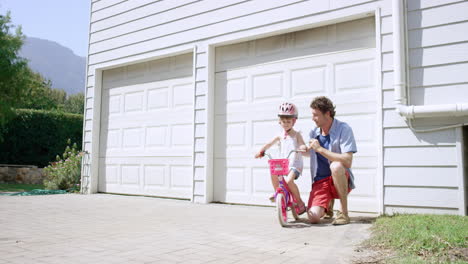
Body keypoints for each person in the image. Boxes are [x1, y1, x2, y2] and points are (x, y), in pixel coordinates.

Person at [299, 96, 357, 225]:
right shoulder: (313, 132)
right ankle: (327, 206)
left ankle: (343, 213)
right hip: (320, 181)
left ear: (328, 114)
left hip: (339, 177)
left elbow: (347, 160)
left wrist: (319, 149)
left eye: (316, 115)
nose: (312, 118)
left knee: (336, 166)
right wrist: (305, 150)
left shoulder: (344, 129)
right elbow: (313, 154)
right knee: (313, 217)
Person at [255, 102, 307, 215]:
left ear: (294, 121)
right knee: (273, 172)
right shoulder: (279, 135)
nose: (286, 124)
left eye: (289, 121)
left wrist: (302, 147)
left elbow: (302, 144)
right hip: (284, 163)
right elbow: (269, 144)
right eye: (283, 121)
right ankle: (278, 193)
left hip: (295, 164)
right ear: (279, 121)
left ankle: (300, 203)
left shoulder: (297, 134)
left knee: (288, 180)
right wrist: (261, 151)